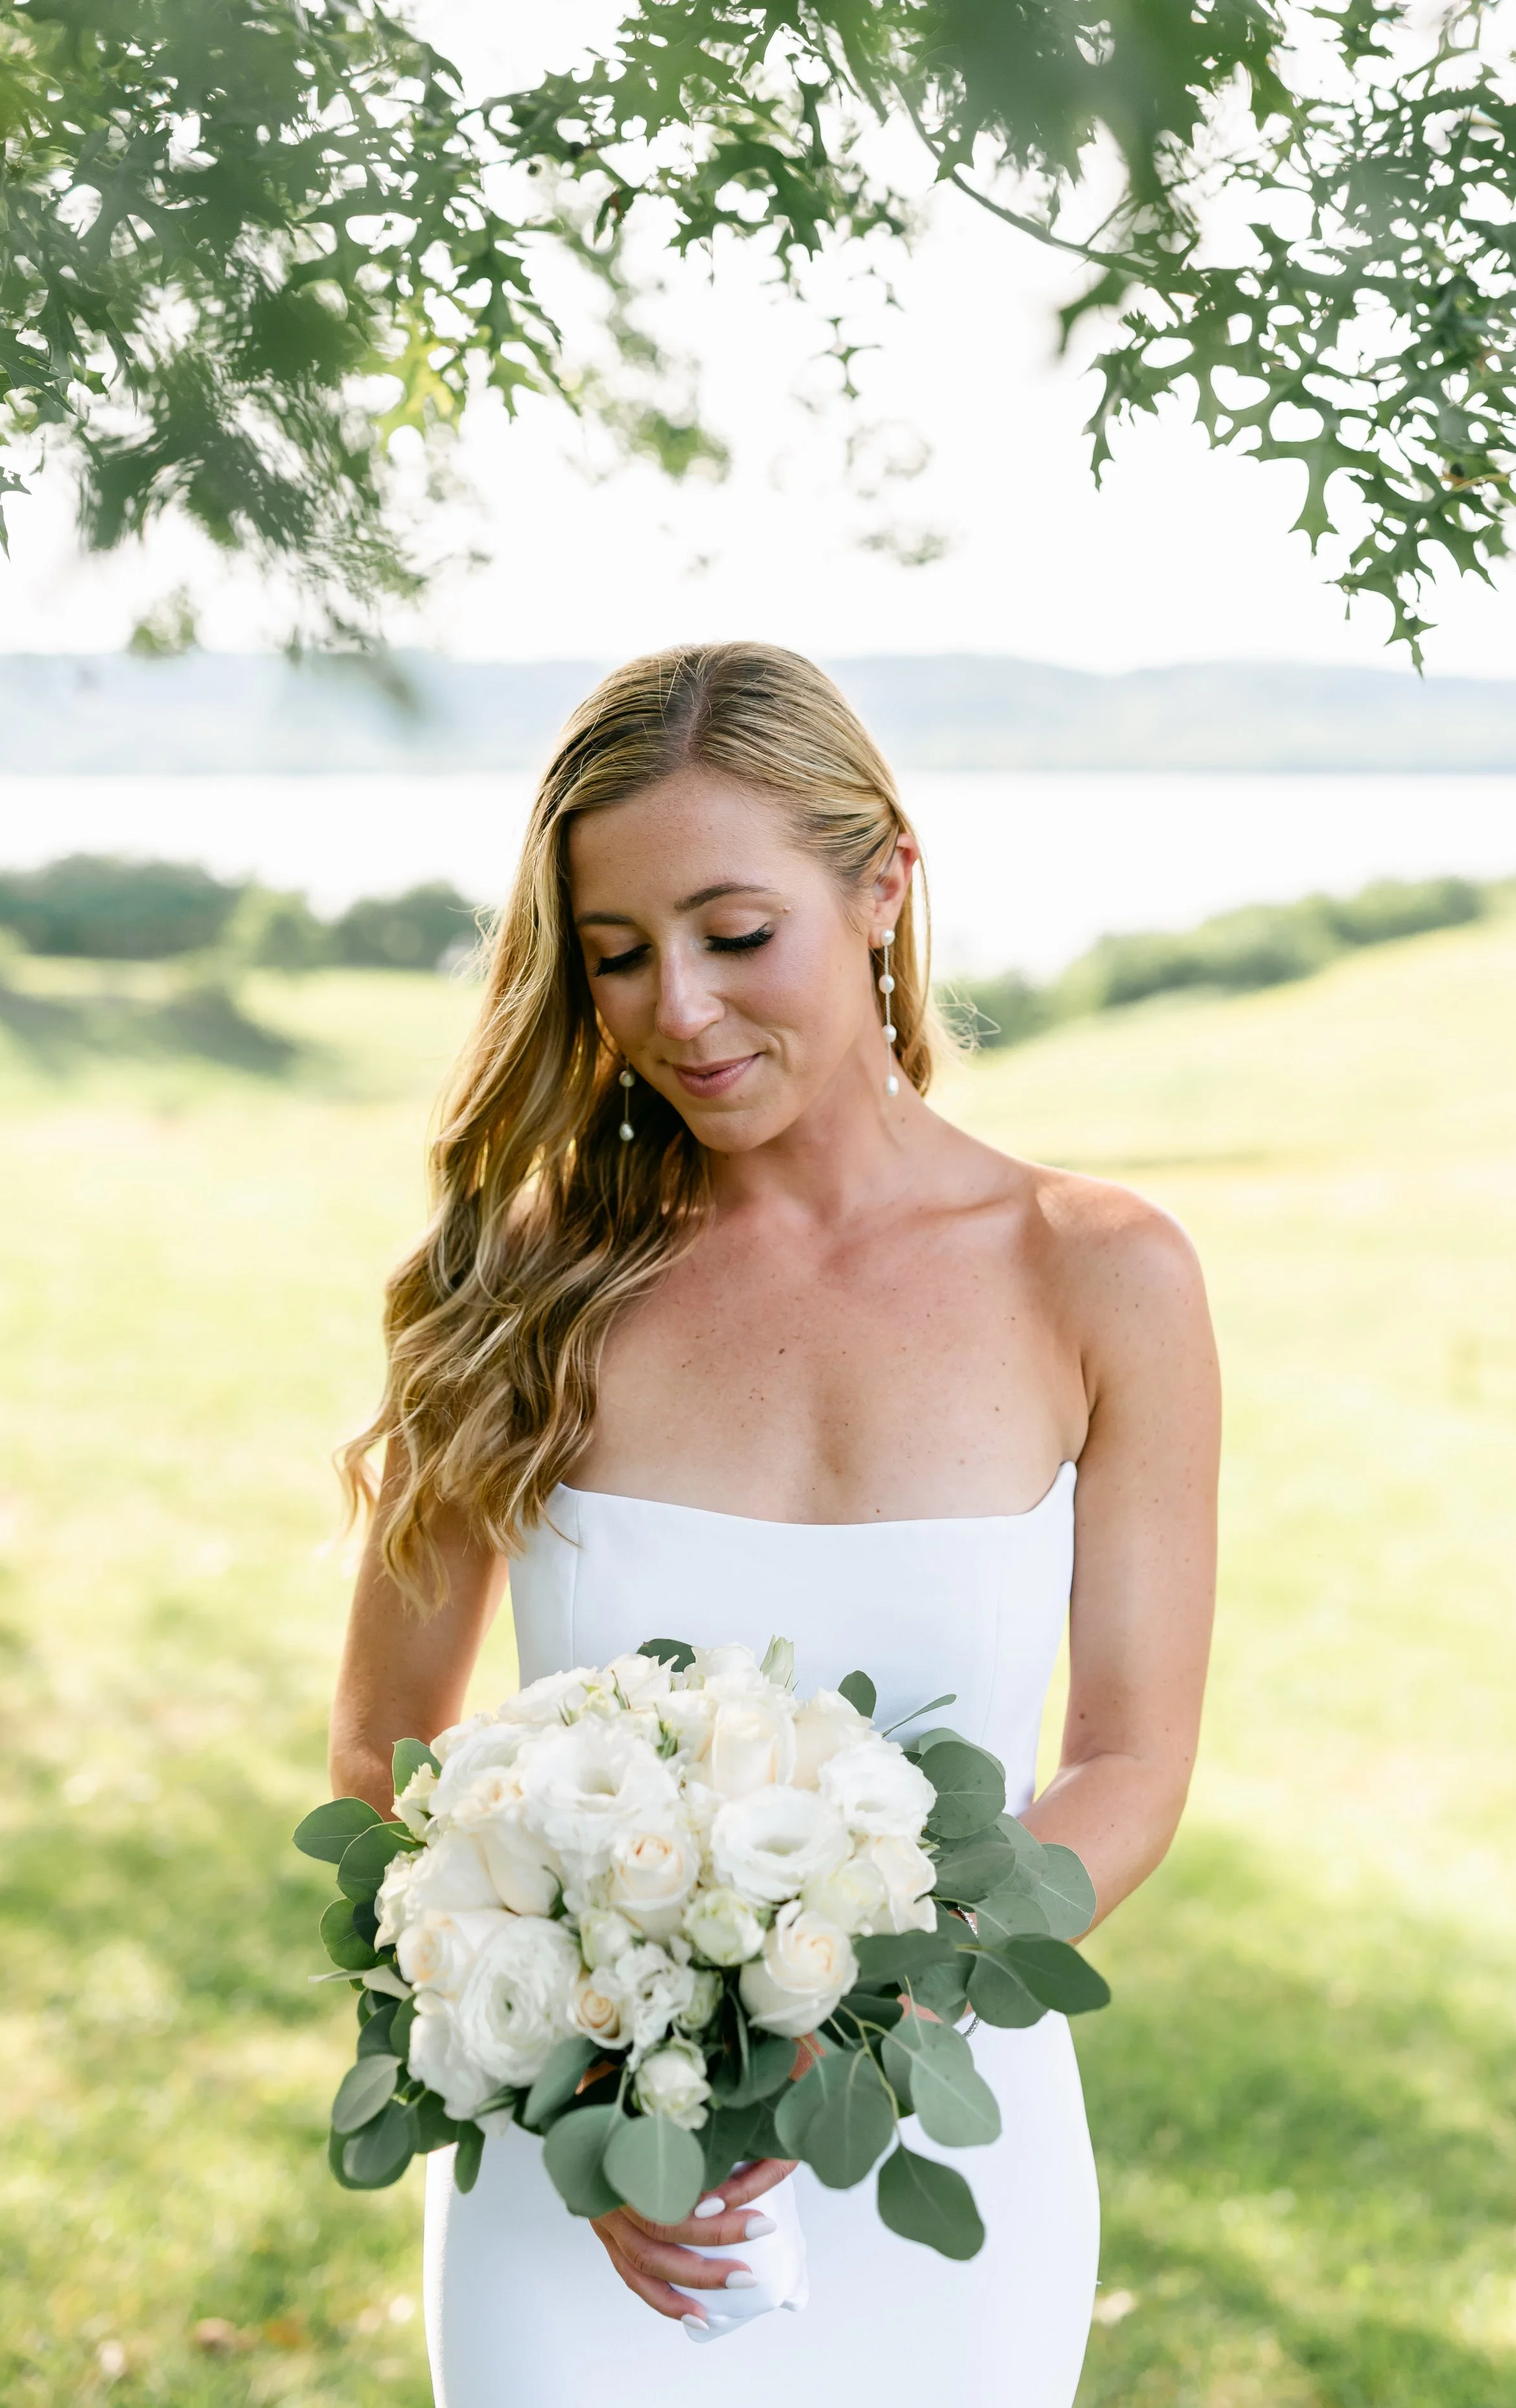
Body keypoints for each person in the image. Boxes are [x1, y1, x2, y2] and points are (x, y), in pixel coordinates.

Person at [330, 643, 1219, 2406]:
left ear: (882, 880)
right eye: (615, 956)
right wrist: (585, 2089)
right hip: (586, 2175)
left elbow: (1125, 1761)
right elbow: (380, 1743)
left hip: (943, 2143)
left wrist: (861, 2026)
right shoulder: (521, 1284)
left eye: (735, 935)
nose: (676, 1007)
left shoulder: (1097, 1276)